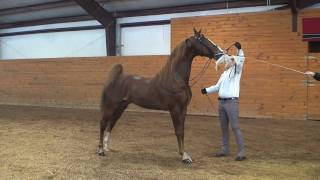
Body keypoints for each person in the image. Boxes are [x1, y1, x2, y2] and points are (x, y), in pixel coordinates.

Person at [201, 42, 246, 161]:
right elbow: (217, 87)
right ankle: (225, 150)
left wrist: (239, 49)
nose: (226, 63)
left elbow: (241, 59)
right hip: (221, 103)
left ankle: (241, 152)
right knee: (224, 127)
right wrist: (206, 90)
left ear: (233, 62)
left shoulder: (237, 71)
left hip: (231, 103)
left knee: (235, 127)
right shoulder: (224, 74)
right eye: (226, 61)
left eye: (229, 61)